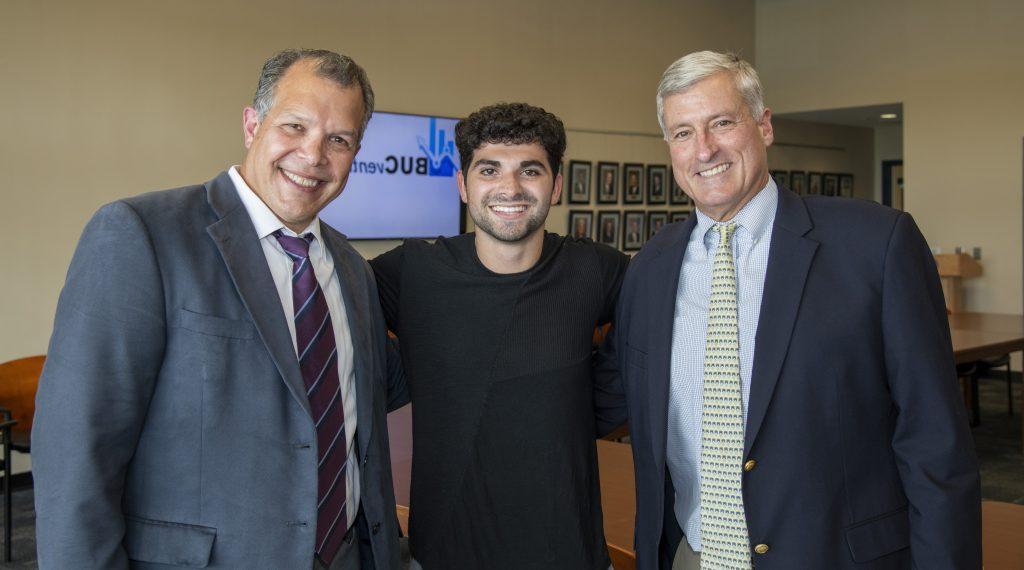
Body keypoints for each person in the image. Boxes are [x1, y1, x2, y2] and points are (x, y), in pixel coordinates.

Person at [595, 51, 980, 569]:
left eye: (722, 123)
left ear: (764, 125)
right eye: (683, 133)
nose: (703, 149)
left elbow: (935, 443)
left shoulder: (876, 245)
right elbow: (604, 398)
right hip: (693, 556)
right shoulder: (649, 269)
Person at [33, 49, 405, 570]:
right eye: (294, 126)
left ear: (355, 152)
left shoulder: (351, 269)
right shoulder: (142, 234)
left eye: (338, 140)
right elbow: (78, 451)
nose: (314, 155)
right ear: (252, 124)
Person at [371, 102, 629, 569]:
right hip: (444, 555)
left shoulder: (597, 269)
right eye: (489, 169)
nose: (509, 188)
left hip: (569, 555)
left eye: (530, 170)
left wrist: (583, 408)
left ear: (556, 186)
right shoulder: (411, 273)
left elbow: (649, 348)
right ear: (463, 185)